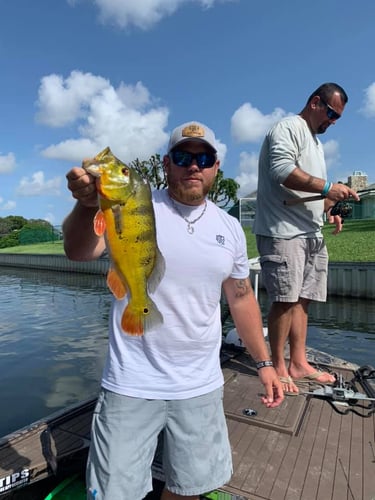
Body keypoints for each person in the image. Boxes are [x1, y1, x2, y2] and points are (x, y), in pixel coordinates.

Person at [62, 121, 284, 500]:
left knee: (188, 490)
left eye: (203, 157)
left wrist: (265, 364)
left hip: (200, 384)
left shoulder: (230, 228)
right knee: (114, 493)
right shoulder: (136, 202)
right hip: (131, 382)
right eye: (183, 156)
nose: (193, 165)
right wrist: (86, 207)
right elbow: (79, 251)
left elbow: (242, 298)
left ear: (216, 166)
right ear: (167, 164)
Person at [253, 83, 360, 396]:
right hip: (283, 232)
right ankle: (279, 366)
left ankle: (298, 362)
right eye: (331, 113)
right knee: (285, 300)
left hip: (310, 233)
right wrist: (327, 188)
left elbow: (309, 196)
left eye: (337, 117)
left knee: (303, 299)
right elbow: (282, 171)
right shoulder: (288, 128)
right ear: (315, 102)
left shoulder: (316, 143)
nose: (333, 121)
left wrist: (329, 209)